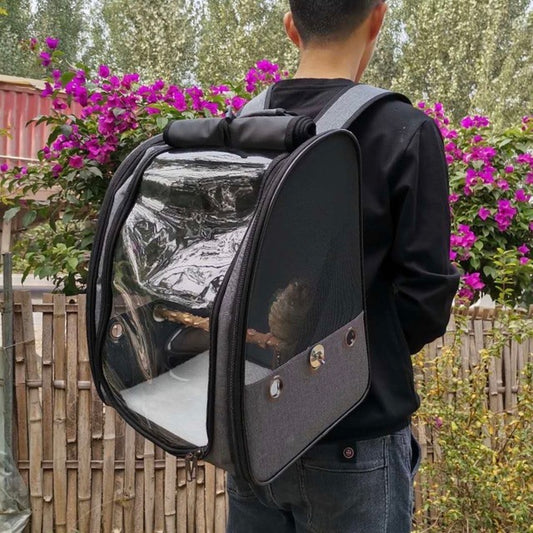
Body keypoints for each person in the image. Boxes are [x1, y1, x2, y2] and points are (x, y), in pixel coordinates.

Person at [226, 1, 460, 532]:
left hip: (254, 430)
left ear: (291, 26)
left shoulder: (242, 128)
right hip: (355, 439)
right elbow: (424, 303)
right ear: (377, 18)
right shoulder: (404, 131)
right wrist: (345, 358)